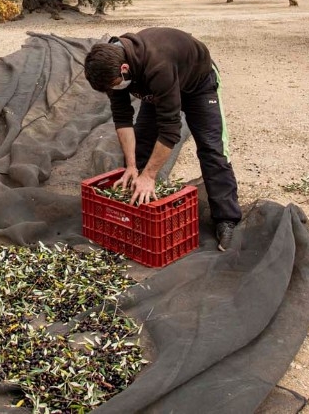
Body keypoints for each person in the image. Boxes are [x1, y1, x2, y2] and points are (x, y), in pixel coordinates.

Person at [83, 28, 243, 251]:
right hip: (157, 89)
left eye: (115, 84)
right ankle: (137, 209)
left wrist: (149, 175)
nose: (114, 90)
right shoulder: (111, 68)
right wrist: (131, 166)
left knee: (212, 149)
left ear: (125, 69)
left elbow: (170, 130)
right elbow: (122, 119)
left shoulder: (158, 64)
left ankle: (227, 219)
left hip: (198, 85)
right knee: (142, 145)